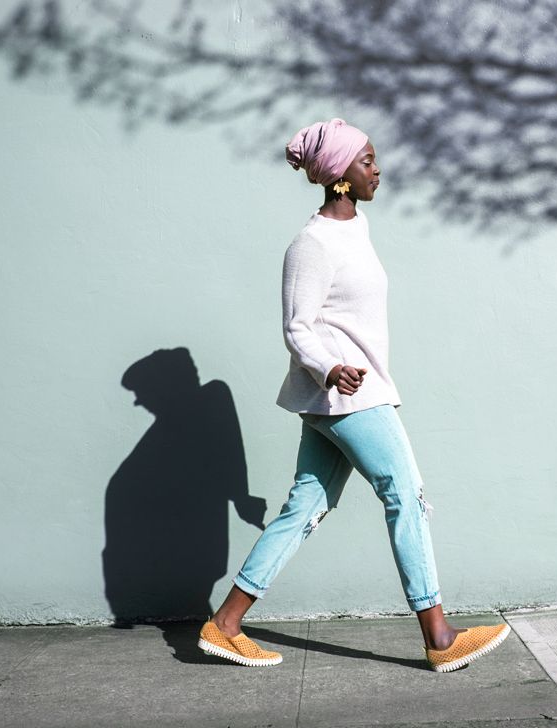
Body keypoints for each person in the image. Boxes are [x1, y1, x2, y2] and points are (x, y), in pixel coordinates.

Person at [197, 118, 510, 673]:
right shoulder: (311, 243)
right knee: (405, 494)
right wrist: (330, 367)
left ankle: (224, 625)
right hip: (345, 395)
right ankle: (439, 635)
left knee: (307, 505)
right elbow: (298, 326)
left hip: (347, 394)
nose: (377, 168)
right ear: (339, 175)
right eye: (367, 160)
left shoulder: (356, 229)